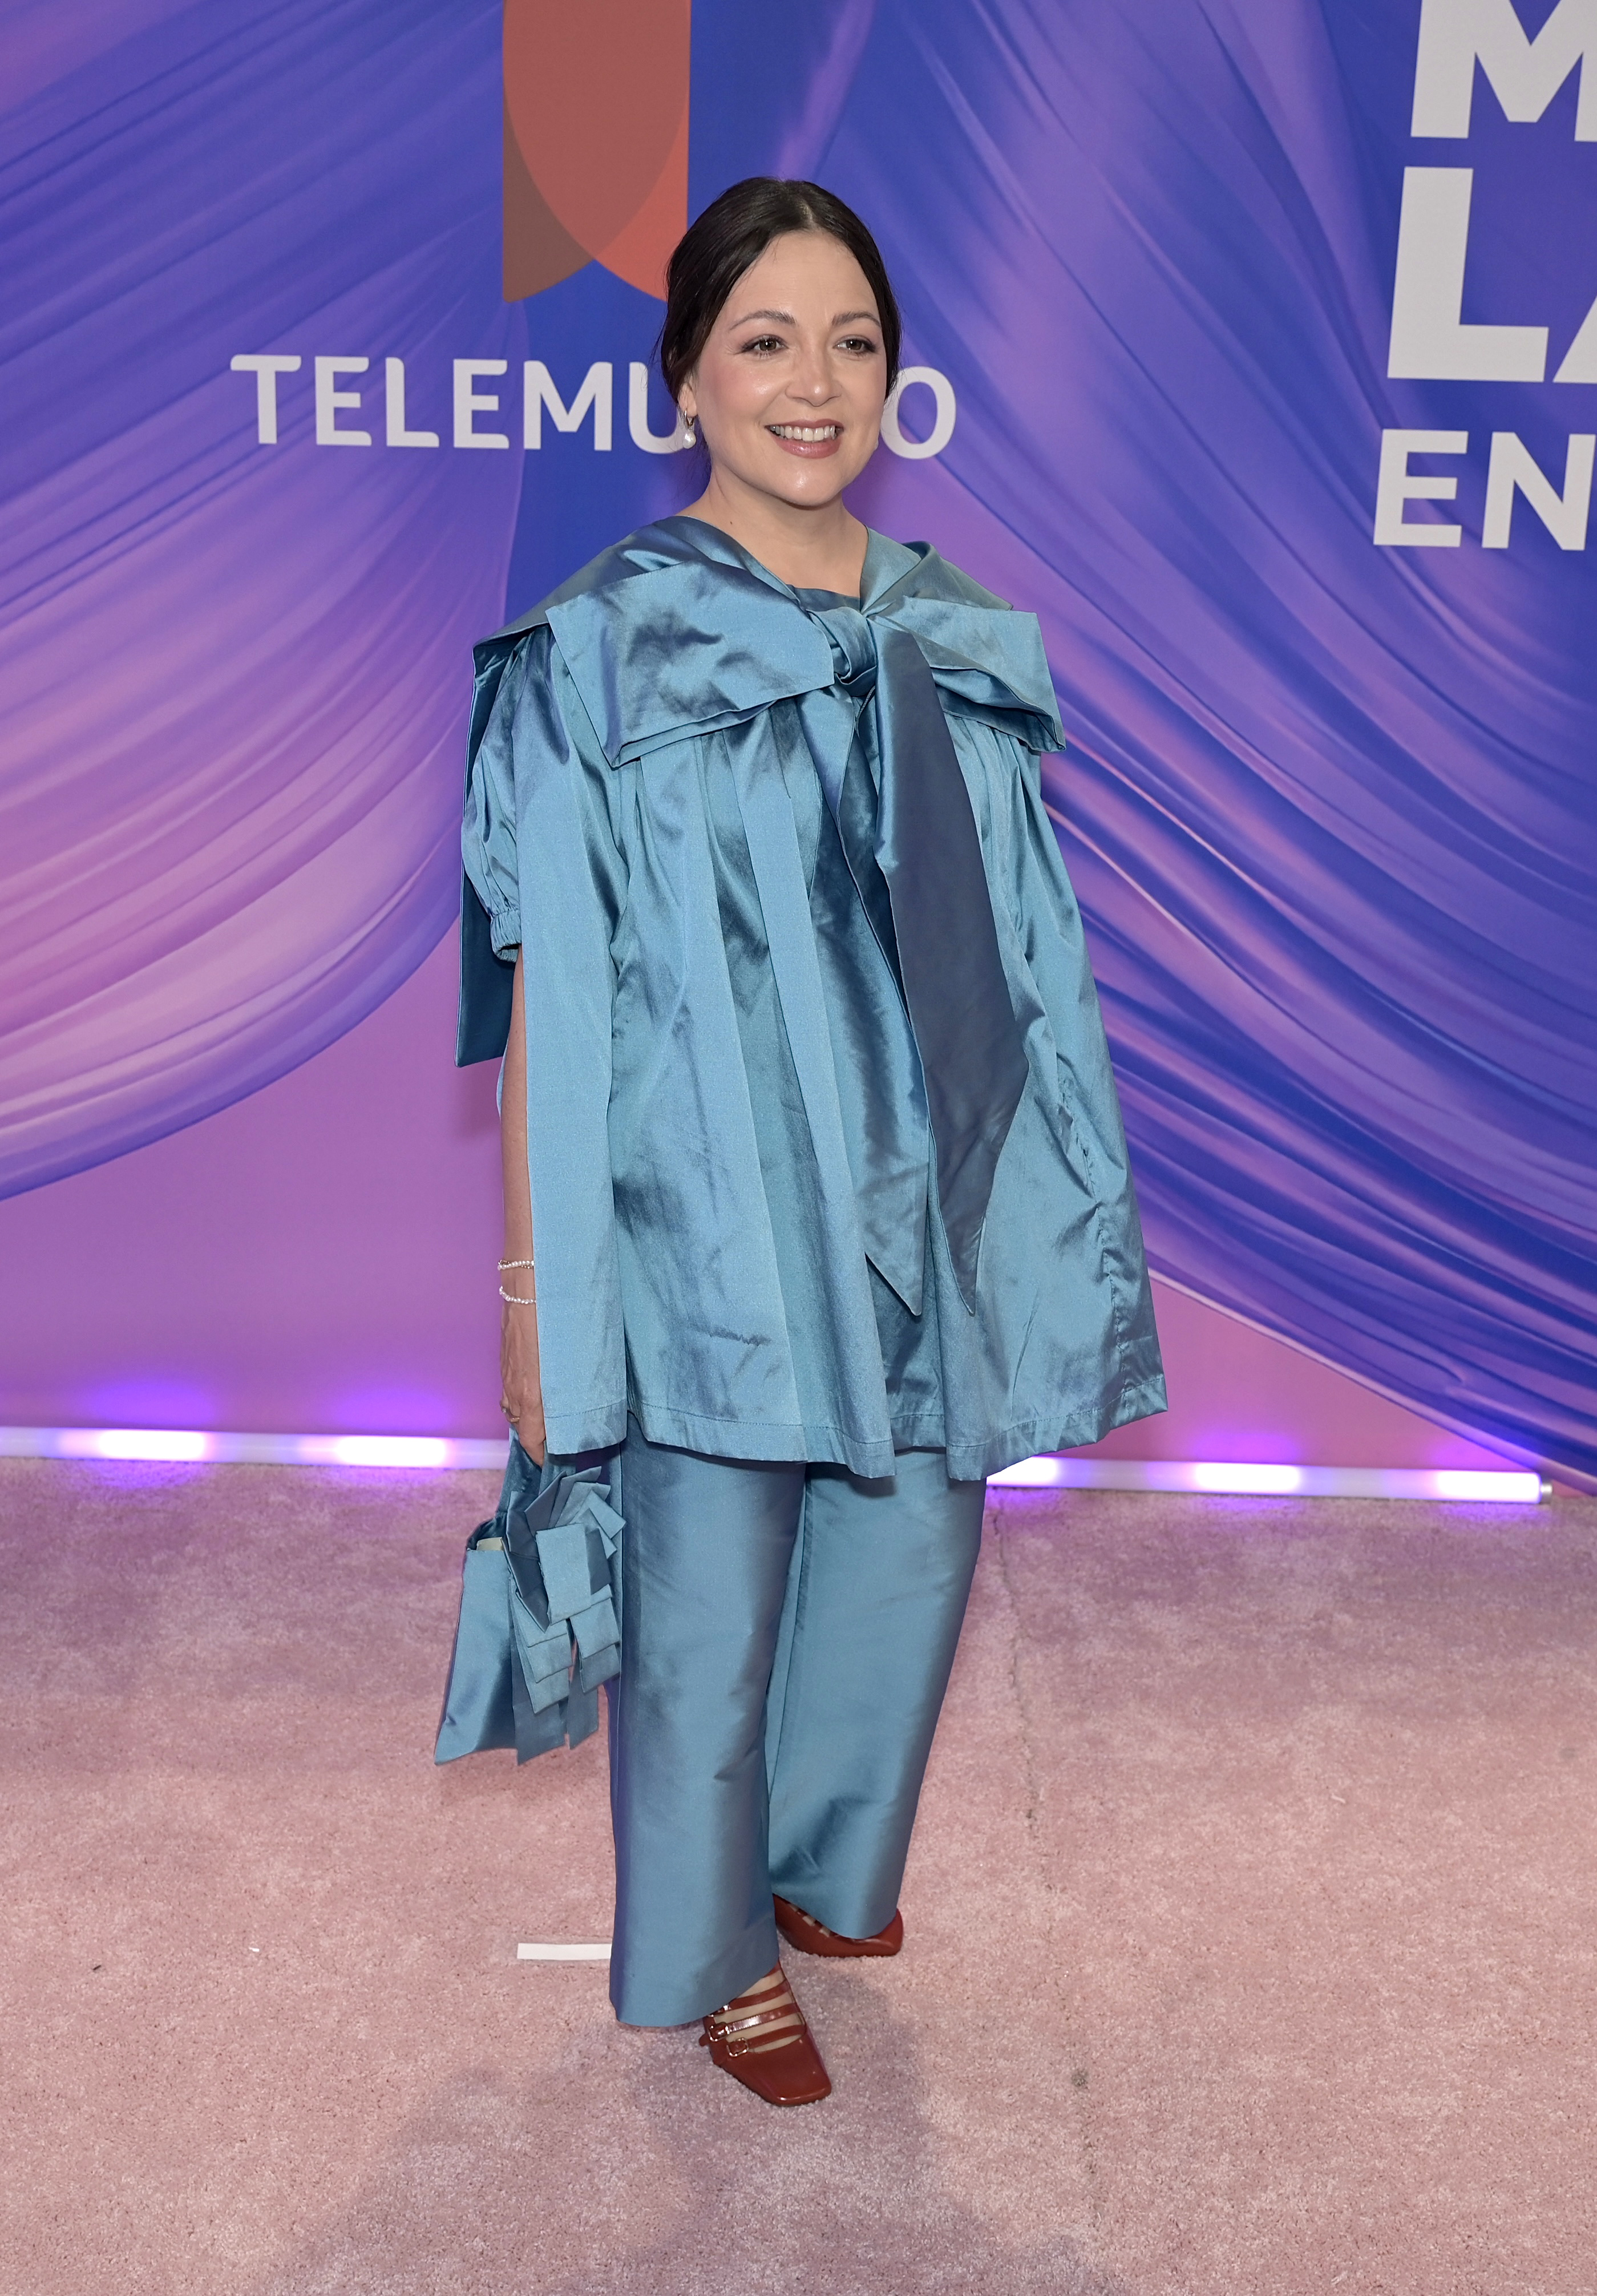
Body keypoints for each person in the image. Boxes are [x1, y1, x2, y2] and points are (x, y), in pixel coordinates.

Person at [458, 177, 1165, 2105]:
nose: (814, 381)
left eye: (854, 342)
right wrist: (540, 1289)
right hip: (700, 1209)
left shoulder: (953, 634)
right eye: (764, 339)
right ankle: (709, 1960)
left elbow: (1022, 965)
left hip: (917, 1192)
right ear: (684, 372)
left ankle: (823, 1869)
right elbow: (553, 993)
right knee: (706, 1596)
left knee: (914, 1545)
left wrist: (1026, 1212)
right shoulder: (598, 649)